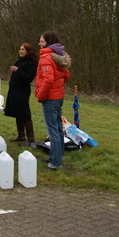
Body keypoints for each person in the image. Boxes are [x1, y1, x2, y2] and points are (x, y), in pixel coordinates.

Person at [34, 31, 71, 171]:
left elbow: (48, 79)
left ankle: (55, 162)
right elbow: (65, 76)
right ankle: (57, 156)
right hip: (59, 97)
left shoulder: (46, 58)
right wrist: (58, 85)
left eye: (42, 41)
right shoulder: (60, 57)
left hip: (50, 98)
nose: (39, 43)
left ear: (48, 43)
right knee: (57, 127)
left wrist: (41, 96)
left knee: (52, 130)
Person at [4, 43, 38, 146]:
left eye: (23, 49)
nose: (20, 51)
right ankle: (21, 135)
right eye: (20, 49)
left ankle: (31, 138)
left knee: (24, 112)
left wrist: (17, 70)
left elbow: (28, 78)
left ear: (28, 51)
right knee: (17, 112)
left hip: (22, 91)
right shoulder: (20, 60)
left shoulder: (31, 63)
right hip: (14, 90)